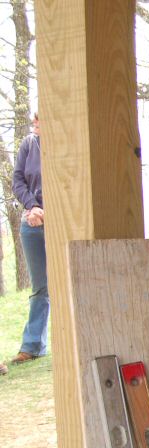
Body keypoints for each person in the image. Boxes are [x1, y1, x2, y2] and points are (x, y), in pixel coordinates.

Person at [8, 113, 48, 370]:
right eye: (34, 122)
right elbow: (17, 181)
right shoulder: (28, 145)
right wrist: (33, 207)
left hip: (61, 221)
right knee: (39, 287)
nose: (35, 127)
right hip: (32, 221)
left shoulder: (64, 145)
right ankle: (33, 345)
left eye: (39, 122)